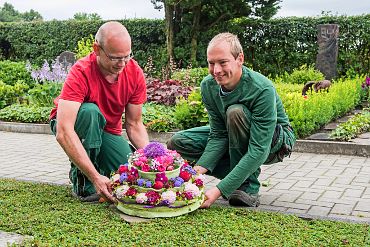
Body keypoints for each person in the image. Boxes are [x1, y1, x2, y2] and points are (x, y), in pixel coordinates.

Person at [167, 32, 296, 208]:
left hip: (274, 142)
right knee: (179, 142)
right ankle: (238, 179)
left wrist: (218, 190)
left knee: (236, 112)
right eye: (211, 63)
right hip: (232, 132)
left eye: (223, 62)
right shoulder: (208, 86)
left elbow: (259, 149)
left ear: (239, 59)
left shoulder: (262, 89)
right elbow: (219, 135)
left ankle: (247, 187)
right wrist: (195, 174)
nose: (216, 70)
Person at [49, 21, 149, 203]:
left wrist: (151, 157)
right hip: (76, 124)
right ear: (97, 49)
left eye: (127, 56)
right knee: (90, 112)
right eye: (115, 58)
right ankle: (84, 182)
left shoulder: (134, 72)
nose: (122, 63)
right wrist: (95, 177)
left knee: (129, 174)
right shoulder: (81, 71)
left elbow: (134, 124)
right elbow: (64, 130)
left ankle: (96, 170)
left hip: (107, 131)